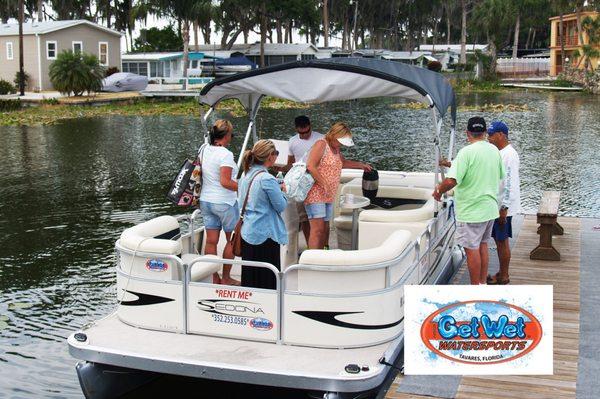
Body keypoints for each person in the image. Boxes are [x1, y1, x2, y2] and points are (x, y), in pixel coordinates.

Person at [432, 117, 505, 285]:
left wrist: (438, 191)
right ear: (485, 133)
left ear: (468, 133)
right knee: (483, 245)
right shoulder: (494, 151)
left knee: (472, 249)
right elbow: (501, 176)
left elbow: (451, 181)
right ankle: (482, 284)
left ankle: (474, 288)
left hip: (472, 211)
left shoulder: (466, 152)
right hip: (489, 209)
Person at [304, 122, 371, 249]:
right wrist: (324, 183)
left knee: (324, 228)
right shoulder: (321, 144)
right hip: (316, 193)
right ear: (334, 135)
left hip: (328, 194)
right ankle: (312, 260)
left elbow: (342, 162)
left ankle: (323, 254)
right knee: (317, 230)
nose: (341, 144)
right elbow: (310, 166)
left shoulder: (335, 148)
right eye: (340, 141)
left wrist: (360, 165)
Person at [238, 140, 288, 289]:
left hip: (248, 232)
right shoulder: (267, 178)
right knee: (267, 280)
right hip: (264, 235)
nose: (276, 156)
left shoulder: (245, 175)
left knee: (250, 279)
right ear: (270, 156)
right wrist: (283, 191)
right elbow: (281, 206)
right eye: (276, 153)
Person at [199, 119, 240, 286]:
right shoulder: (225, 154)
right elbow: (225, 182)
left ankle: (214, 277)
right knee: (231, 240)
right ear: (226, 135)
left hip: (205, 201)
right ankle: (226, 278)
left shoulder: (203, 149)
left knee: (211, 241)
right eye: (231, 134)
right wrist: (244, 187)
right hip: (224, 202)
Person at [486, 121, 521, 285]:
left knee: (502, 241)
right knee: (499, 241)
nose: (489, 138)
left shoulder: (509, 154)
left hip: (503, 208)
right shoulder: (501, 152)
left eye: (491, 135)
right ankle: (501, 272)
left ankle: (504, 276)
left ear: (501, 135)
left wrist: (503, 208)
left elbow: (509, 184)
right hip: (498, 205)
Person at [280, 116, 324, 242]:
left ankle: (322, 246)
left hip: (316, 182)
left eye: (306, 132)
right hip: (300, 183)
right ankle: (309, 245)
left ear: (310, 126)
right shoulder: (292, 141)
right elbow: (290, 165)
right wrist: (278, 167)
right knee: (304, 218)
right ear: (296, 129)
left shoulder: (321, 138)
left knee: (319, 217)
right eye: (301, 133)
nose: (304, 135)